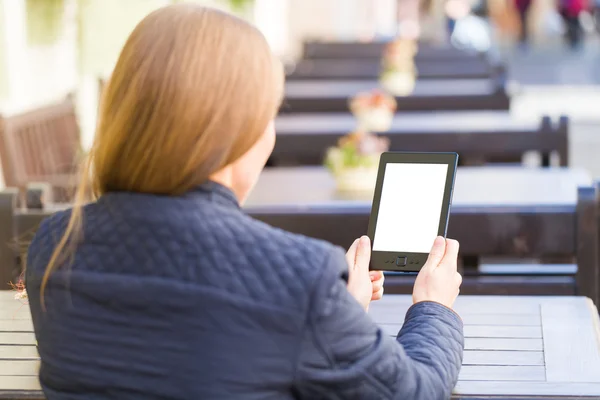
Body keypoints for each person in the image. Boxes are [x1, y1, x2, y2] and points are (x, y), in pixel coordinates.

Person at [25, 4, 464, 399]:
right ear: (241, 133)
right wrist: (433, 306)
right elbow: (415, 390)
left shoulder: (55, 246)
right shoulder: (301, 277)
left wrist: (337, 317)